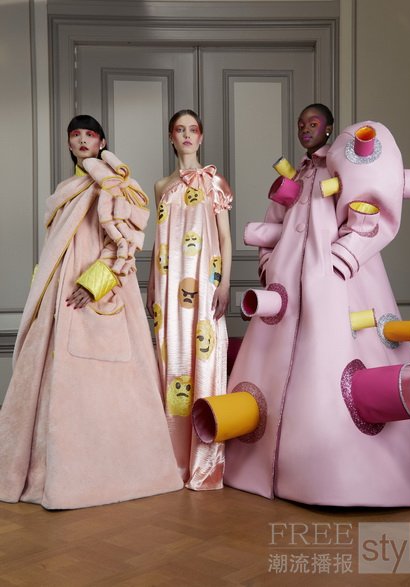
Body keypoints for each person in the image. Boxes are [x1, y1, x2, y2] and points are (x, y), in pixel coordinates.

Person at [222, 104, 410, 506]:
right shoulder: (295, 175)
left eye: (313, 123)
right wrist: (268, 265)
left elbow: (372, 207)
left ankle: (327, 473)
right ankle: (275, 466)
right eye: (301, 124)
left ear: (329, 129)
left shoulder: (344, 163)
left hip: (339, 284)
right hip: (286, 292)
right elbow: (273, 222)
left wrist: (342, 260)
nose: (305, 129)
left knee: (329, 361)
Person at [0, 115, 183, 509]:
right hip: (58, 296)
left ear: (102, 142)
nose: (82, 140)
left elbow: (125, 243)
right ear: (69, 144)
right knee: (52, 388)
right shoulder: (66, 190)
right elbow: (54, 249)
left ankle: (104, 475)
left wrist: (95, 283)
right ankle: (46, 473)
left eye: (90, 135)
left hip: (98, 294)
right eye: (75, 135)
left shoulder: (114, 184)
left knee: (106, 389)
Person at [147, 109, 232, 490]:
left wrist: (225, 283)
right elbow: (158, 240)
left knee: (205, 361)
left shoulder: (215, 182)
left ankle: (205, 461)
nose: (186, 135)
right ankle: (172, 462)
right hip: (168, 291)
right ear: (171, 137)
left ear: (201, 137)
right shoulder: (161, 185)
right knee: (172, 365)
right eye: (179, 130)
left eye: (192, 129)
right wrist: (151, 285)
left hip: (205, 285)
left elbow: (225, 238)